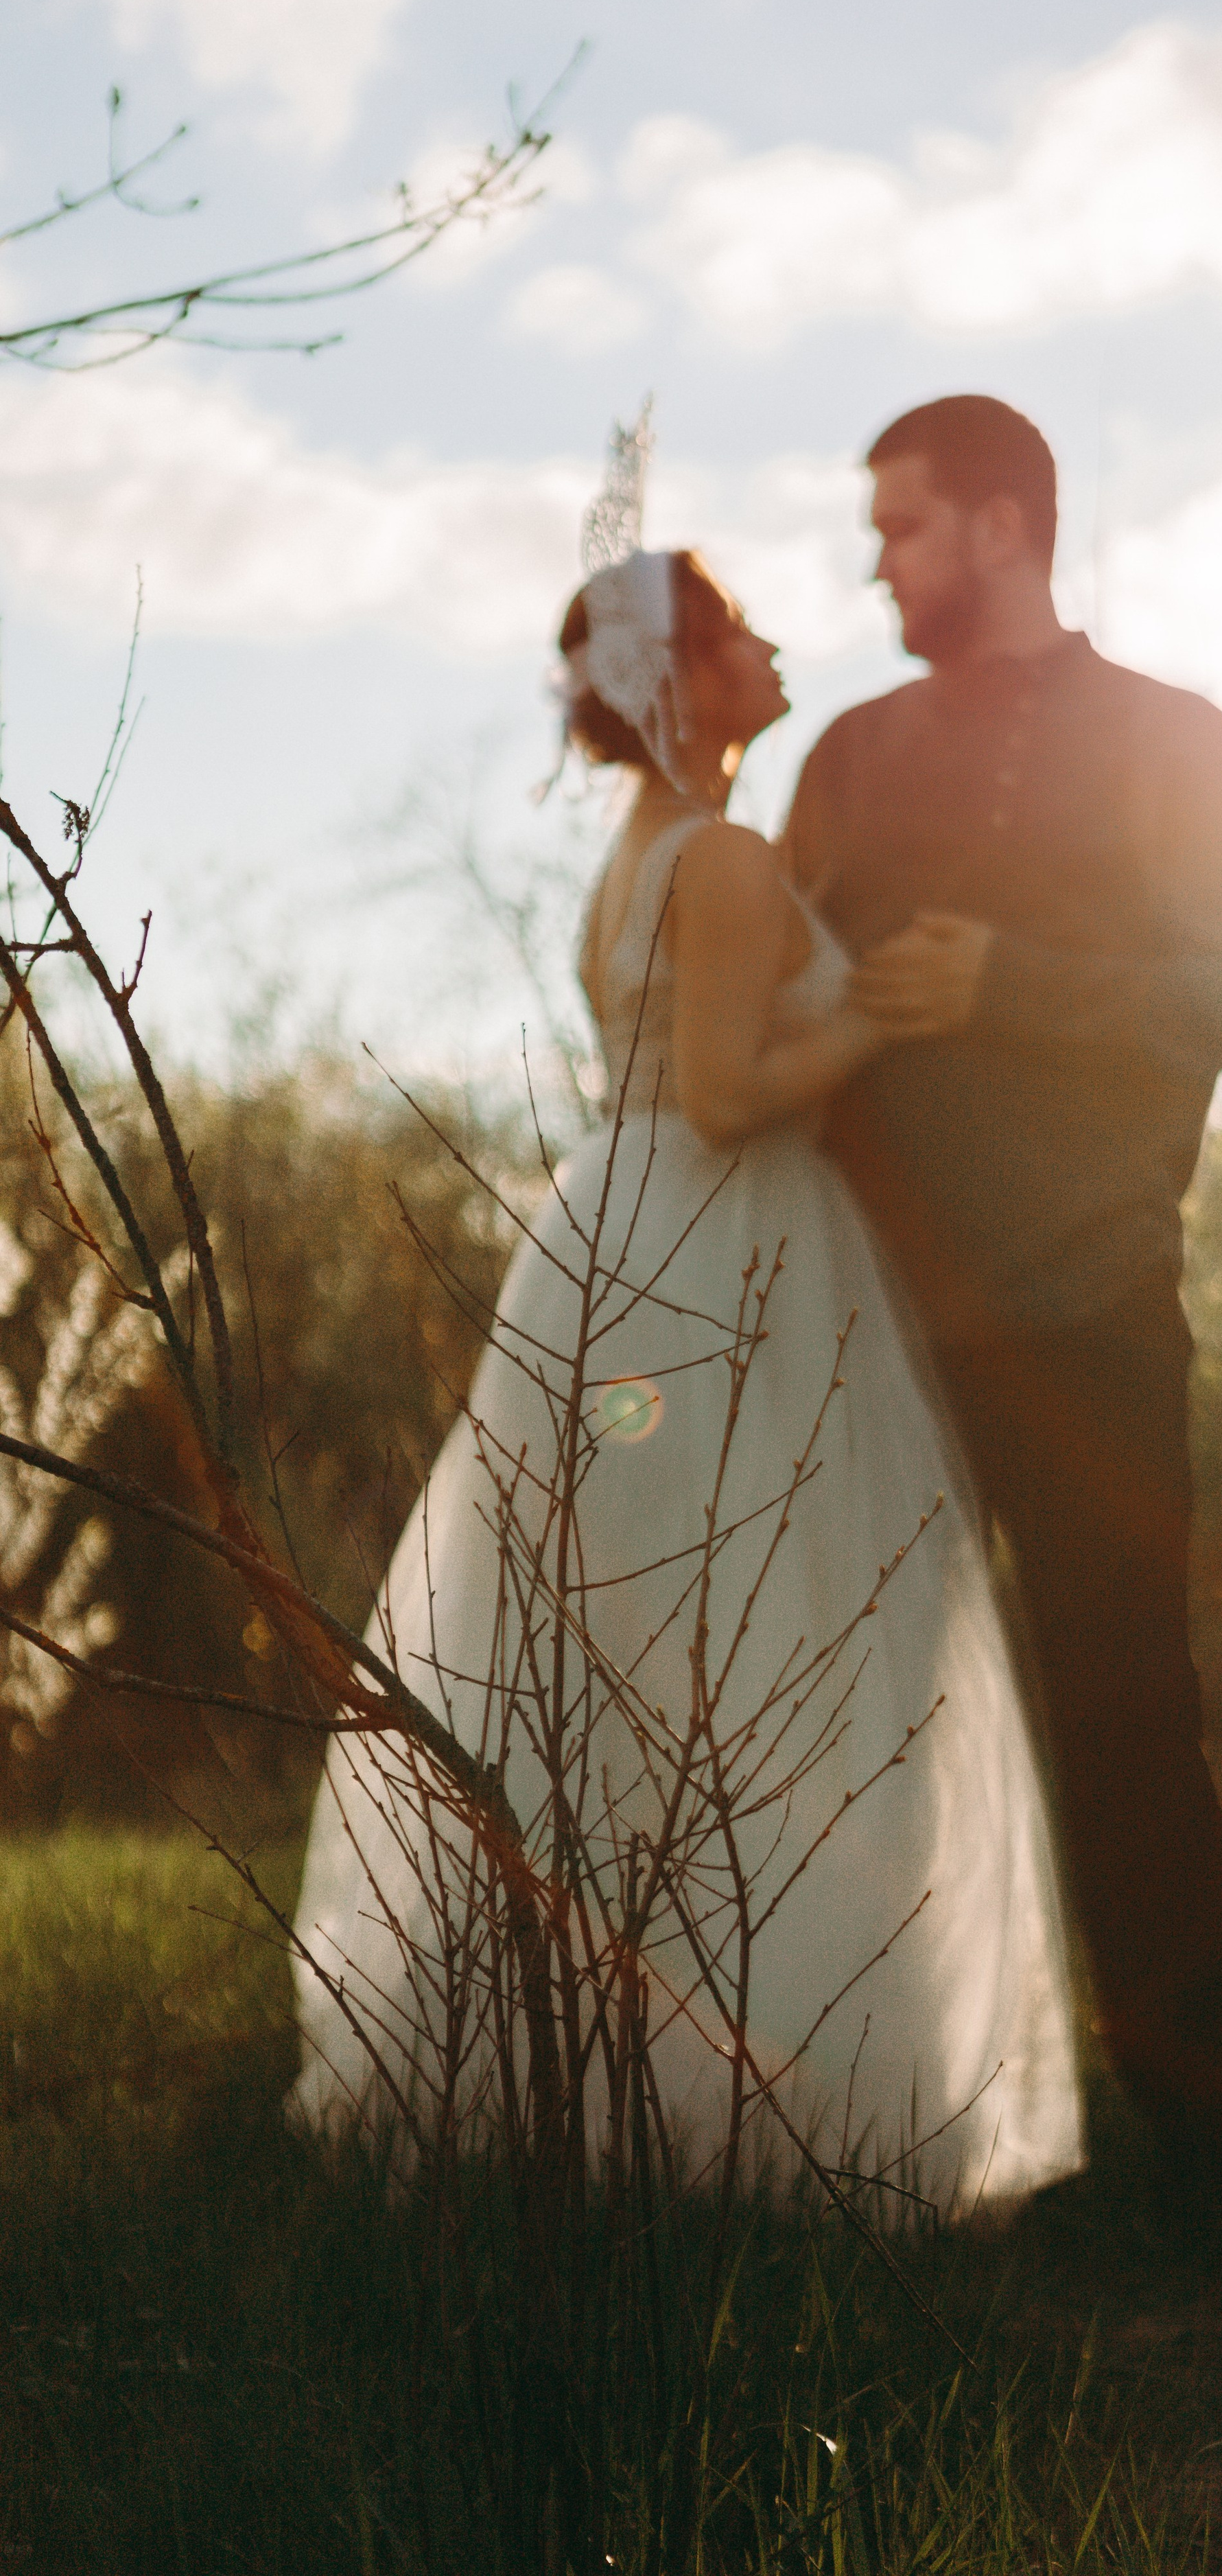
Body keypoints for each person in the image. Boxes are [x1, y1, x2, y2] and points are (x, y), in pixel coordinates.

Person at [289, 519, 1085, 2214]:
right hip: (724, 1251)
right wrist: (885, 1004)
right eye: (743, 631)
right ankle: (783, 2115)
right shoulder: (716, 857)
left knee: (634, 1657)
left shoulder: (646, 848)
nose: (780, 648)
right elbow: (727, 1093)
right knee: (773, 1642)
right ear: (692, 680)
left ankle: (583, 2077)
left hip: (617, 1245)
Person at [783, 395, 1222, 2243]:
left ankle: (1213, 2171)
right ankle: (913, 2147)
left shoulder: (1174, 741)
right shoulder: (846, 754)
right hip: (866, 1329)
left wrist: (1019, 982)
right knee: (866, 1732)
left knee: (1122, 1722)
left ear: (1006, 527)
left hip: (1090, 1313)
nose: (878, 561)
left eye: (905, 524)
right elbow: (778, 996)